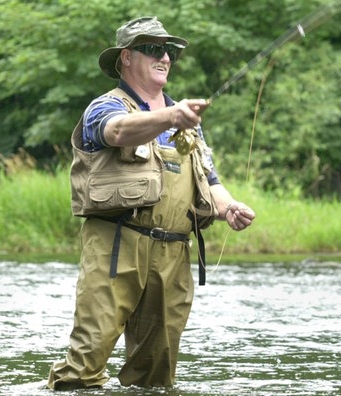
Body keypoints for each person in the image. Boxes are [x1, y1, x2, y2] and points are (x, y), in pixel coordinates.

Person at [47, 16, 256, 390]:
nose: (165, 57)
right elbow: (117, 131)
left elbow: (210, 178)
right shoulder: (105, 107)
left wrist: (228, 207)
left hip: (173, 255)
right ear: (126, 58)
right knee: (85, 363)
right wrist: (169, 118)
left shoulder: (188, 123)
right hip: (116, 246)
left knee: (156, 374)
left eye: (170, 51)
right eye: (153, 49)